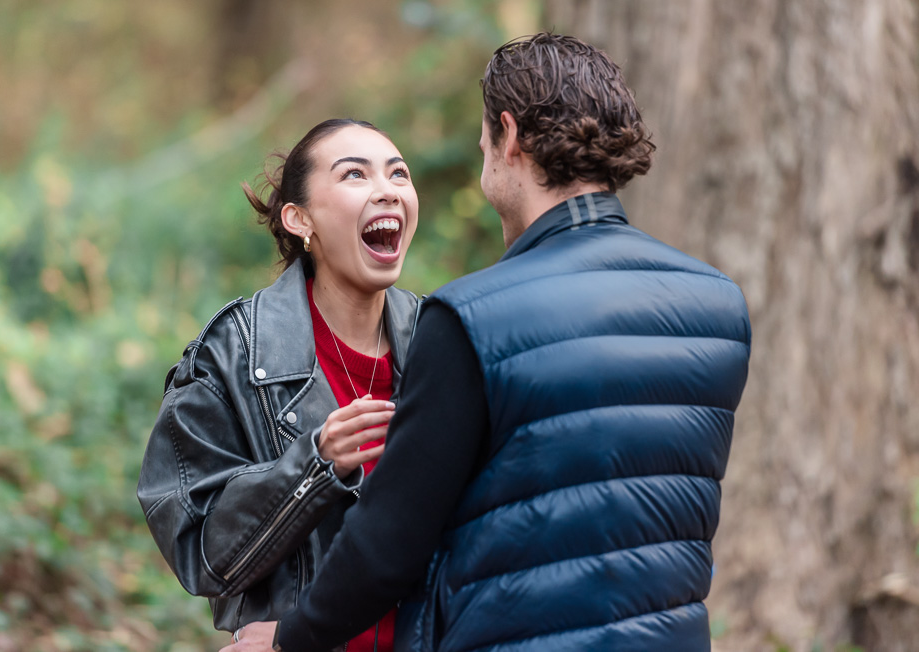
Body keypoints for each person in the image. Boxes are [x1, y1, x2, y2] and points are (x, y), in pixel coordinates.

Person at [227, 33, 752, 652]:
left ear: (508, 137)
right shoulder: (718, 305)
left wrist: (291, 637)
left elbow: (388, 544)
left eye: (483, 149)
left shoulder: (470, 319)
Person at [137, 118, 421, 651]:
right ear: (299, 219)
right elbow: (201, 552)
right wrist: (314, 466)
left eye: (399, 173)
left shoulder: (440, 339)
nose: (387, 189)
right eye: (355, 175)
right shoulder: (234, 352)